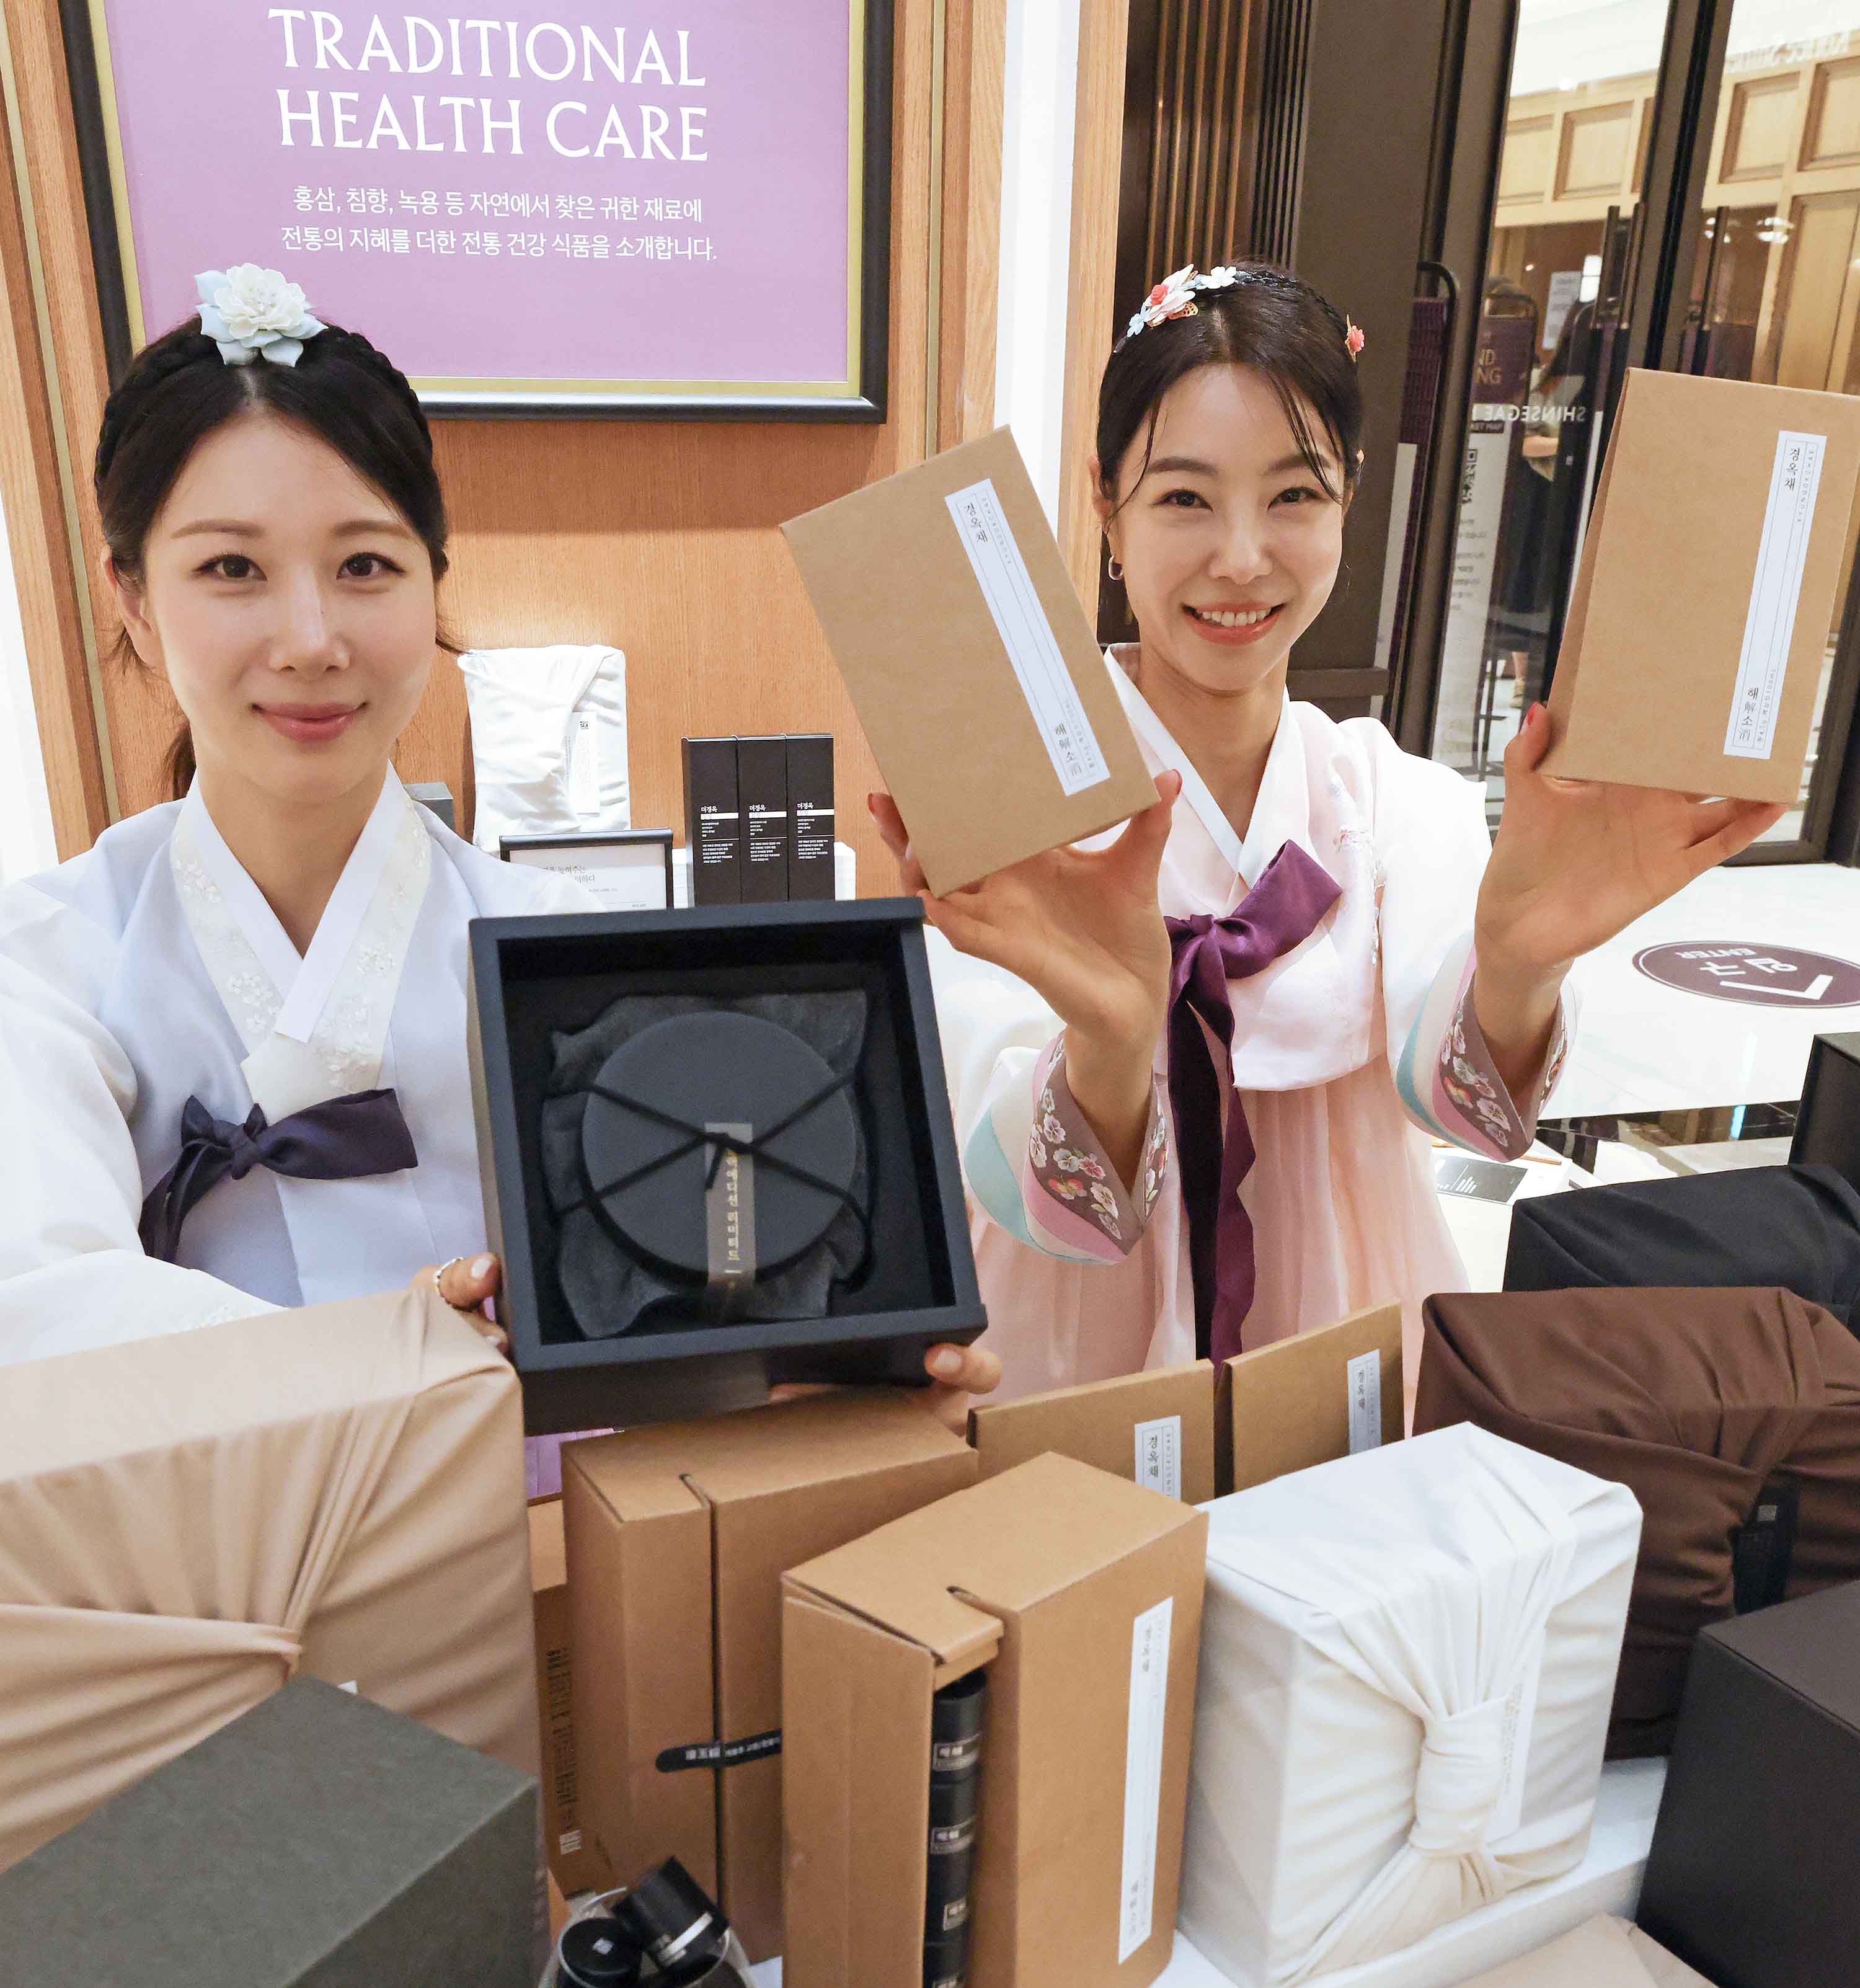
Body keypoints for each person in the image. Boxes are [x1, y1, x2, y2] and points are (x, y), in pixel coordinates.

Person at [0, 264, 997, 1419]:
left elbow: (689, 1286)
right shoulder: (53, 959)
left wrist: (833, 1371)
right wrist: (390, 1350)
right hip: (219, 1529)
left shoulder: (566, 956)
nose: (311, 638)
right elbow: (41, 1315)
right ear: (131, 595)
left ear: (434, 580)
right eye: (232, 568)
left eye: (365, 565)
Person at [875, 261, 1783, 1398]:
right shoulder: (1015, 809)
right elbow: (1024, 1196)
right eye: (1185, 498)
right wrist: (1109, 1042)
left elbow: (1465, 1116)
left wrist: (1520, 965)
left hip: (1345, 1333)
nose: (1241, 557)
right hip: (1073, 1359)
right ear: (1105, 503)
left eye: (1293, 496)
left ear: (1351, 495)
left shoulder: (1393, 799)